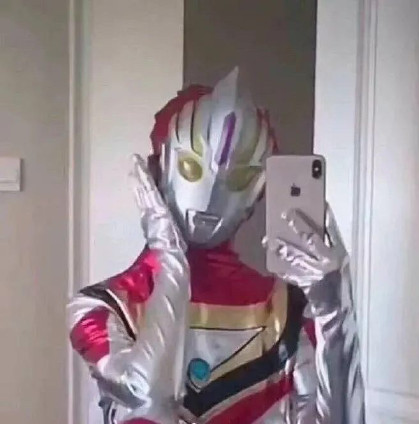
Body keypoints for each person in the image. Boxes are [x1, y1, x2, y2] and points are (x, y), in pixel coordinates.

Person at [68, 69, 365, 424]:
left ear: (258, 189)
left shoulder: (285, 308)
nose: (212, 194)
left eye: (238, 176)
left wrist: (335, 313)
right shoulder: (102, 305)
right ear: (158, 169)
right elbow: (144, 392)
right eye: (191, 167)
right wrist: (171, 261)